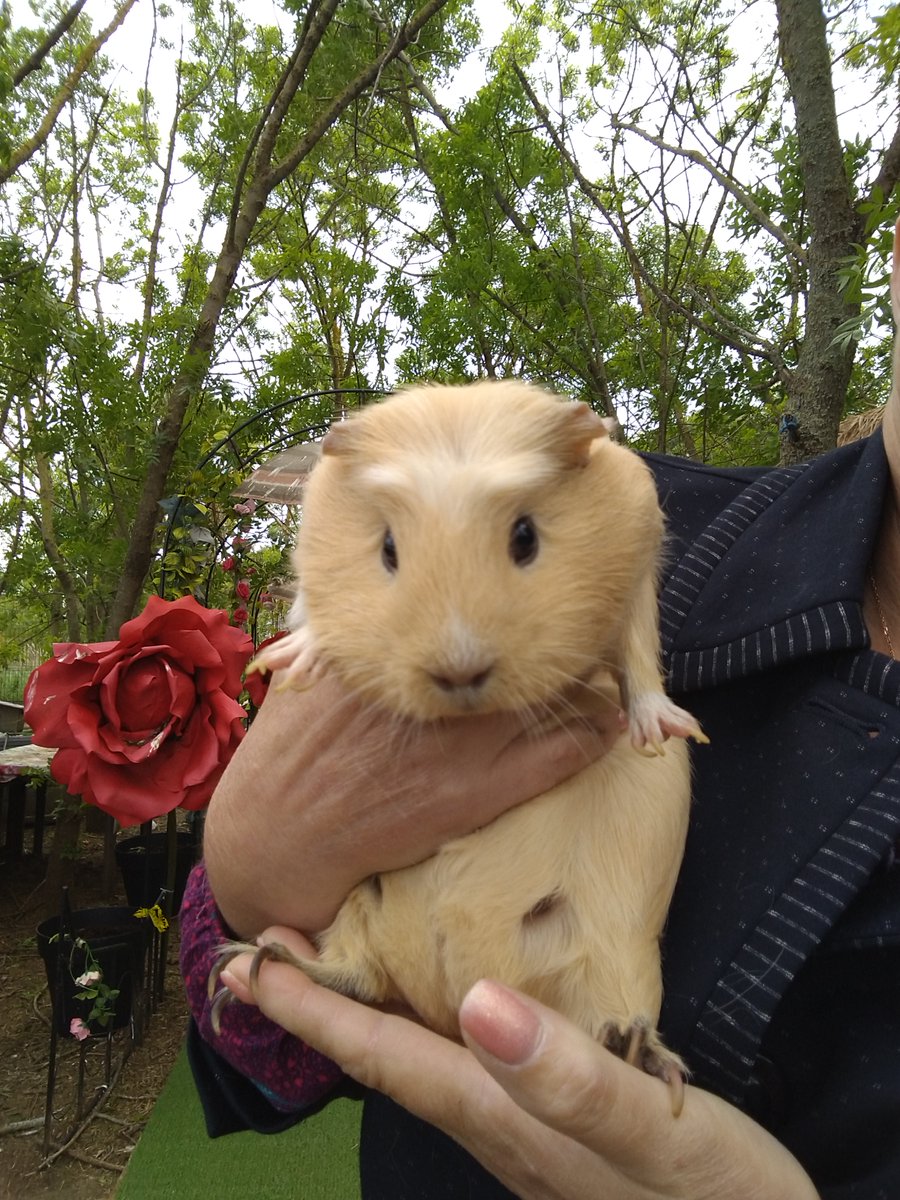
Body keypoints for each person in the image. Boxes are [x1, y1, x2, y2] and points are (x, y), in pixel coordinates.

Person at [178, 245, 900, 1197]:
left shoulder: (620, 517)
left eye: (523, 538)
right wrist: (242, 871)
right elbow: (253, 1068)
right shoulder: (675, 508)